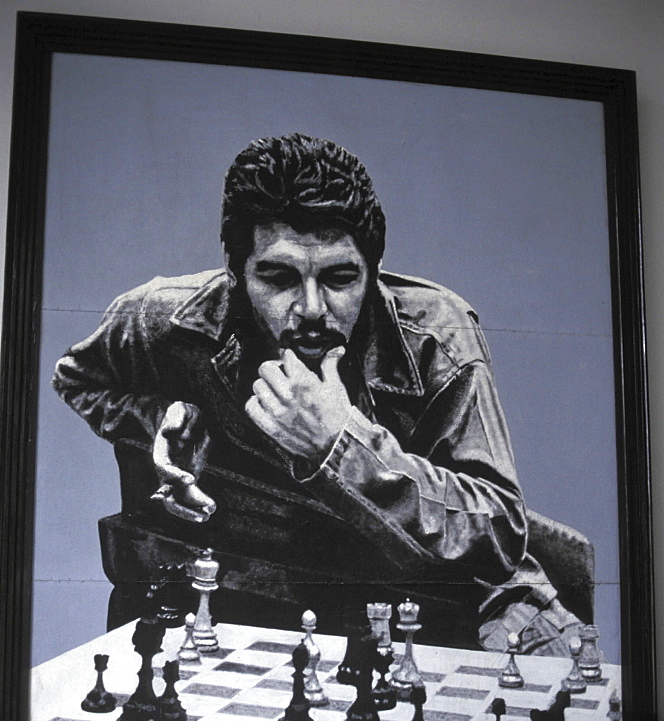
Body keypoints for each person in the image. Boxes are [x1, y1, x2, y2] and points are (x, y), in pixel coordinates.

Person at [52, 132, 581, 654]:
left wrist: (340, 443)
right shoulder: (161, 318)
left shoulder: (438, 337)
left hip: (450, 606)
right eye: (278, 278)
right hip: (258, 593)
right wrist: (160, 418)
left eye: (340, 278)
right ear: (236, 275)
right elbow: (77, 376)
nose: (310, 309)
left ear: (373, 275)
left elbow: (501, 531)